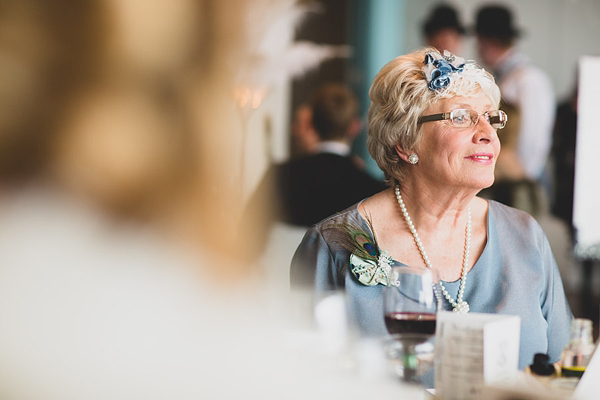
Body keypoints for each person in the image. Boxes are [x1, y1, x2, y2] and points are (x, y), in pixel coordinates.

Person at [291, 48, 573, 373]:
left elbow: (563, 372)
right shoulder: (331, 247)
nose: (487, 134)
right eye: (461, 117)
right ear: (406, 142)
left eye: (491, 117)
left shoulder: (525, 235)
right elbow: (305, 379)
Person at [474, 5, 555, 189]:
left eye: (479, 41)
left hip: (521, 179)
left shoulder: (528, 79)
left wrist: (521, 181)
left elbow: (533, 138)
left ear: (489, 42)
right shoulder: (504, 76)